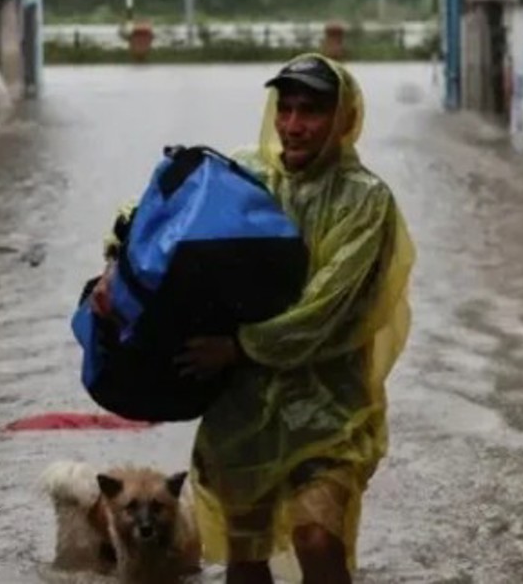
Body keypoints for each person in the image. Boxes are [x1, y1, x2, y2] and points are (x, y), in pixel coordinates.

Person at [91, 54, 415, 583]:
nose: (293, 124)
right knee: (244, 559)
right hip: (241, 411)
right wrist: (113, 268)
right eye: (285, 107)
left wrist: (241, 346)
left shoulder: (366, 200)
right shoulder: (246, 173)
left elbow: (327, 309)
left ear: (344, 119)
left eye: (310, 110)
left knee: (317, 538)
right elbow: (151, 211)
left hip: (328, 411)